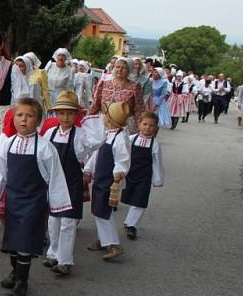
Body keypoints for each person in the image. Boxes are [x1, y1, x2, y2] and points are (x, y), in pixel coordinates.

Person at [0, 97, 71, 296]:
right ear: (13, 119)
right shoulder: (7, 144)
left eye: (30, 116)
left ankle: (23, 280)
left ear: (38, 120)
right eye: (19, 115)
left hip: (34, 202)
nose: (24, 120)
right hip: (13, 200)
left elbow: (56, 177)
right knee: (12, 240)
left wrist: (58, 204)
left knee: (25, 241)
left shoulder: (45, 148)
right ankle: (15, 272)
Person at [41, 91, 105, 276]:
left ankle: (65, 260)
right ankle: (53, 253)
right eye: (61, 112)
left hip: (72, 182)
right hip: (54, 182)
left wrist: (90, 119)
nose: (65, 117)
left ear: (76, 114)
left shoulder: (81, 134)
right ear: (56, 114)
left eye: (70, 113)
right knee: (53, 221)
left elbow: (97, 142)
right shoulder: (50, 133)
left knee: (68, 222)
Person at [84, 101, 131, 261]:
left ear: (109, 120)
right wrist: (89, 169)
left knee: (103, 212)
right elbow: (97, 155)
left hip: (108, 181)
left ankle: (113, 244)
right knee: (98, 210)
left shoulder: (120, 139)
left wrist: (118, 175)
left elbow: (122, 160)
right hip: (100, 179)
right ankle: (102, 239)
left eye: (104, 116)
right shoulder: (108, 135)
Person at [121, 111, 164, 240]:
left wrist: (158, 179)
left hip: (144, 177)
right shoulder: (131, 139)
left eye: (151, 125)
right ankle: (126, 221)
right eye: (145, 124)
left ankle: (132, 226)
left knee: (139, 201)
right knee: (127, 197)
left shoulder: (155, 144)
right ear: (139, 124)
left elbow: (157, 162)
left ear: (156, 128)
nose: (147, 127)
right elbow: (122, 155)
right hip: (129, 174)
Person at [90, 57, 144, 132]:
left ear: (129, 70)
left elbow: (139, 108)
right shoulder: (104, 82)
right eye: (117, 67)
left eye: (124, 68)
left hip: (125, 124)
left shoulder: (135, 86)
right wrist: (88, 119)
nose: (120, 70)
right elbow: (96, 103)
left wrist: (140, 127)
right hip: (104, 122)